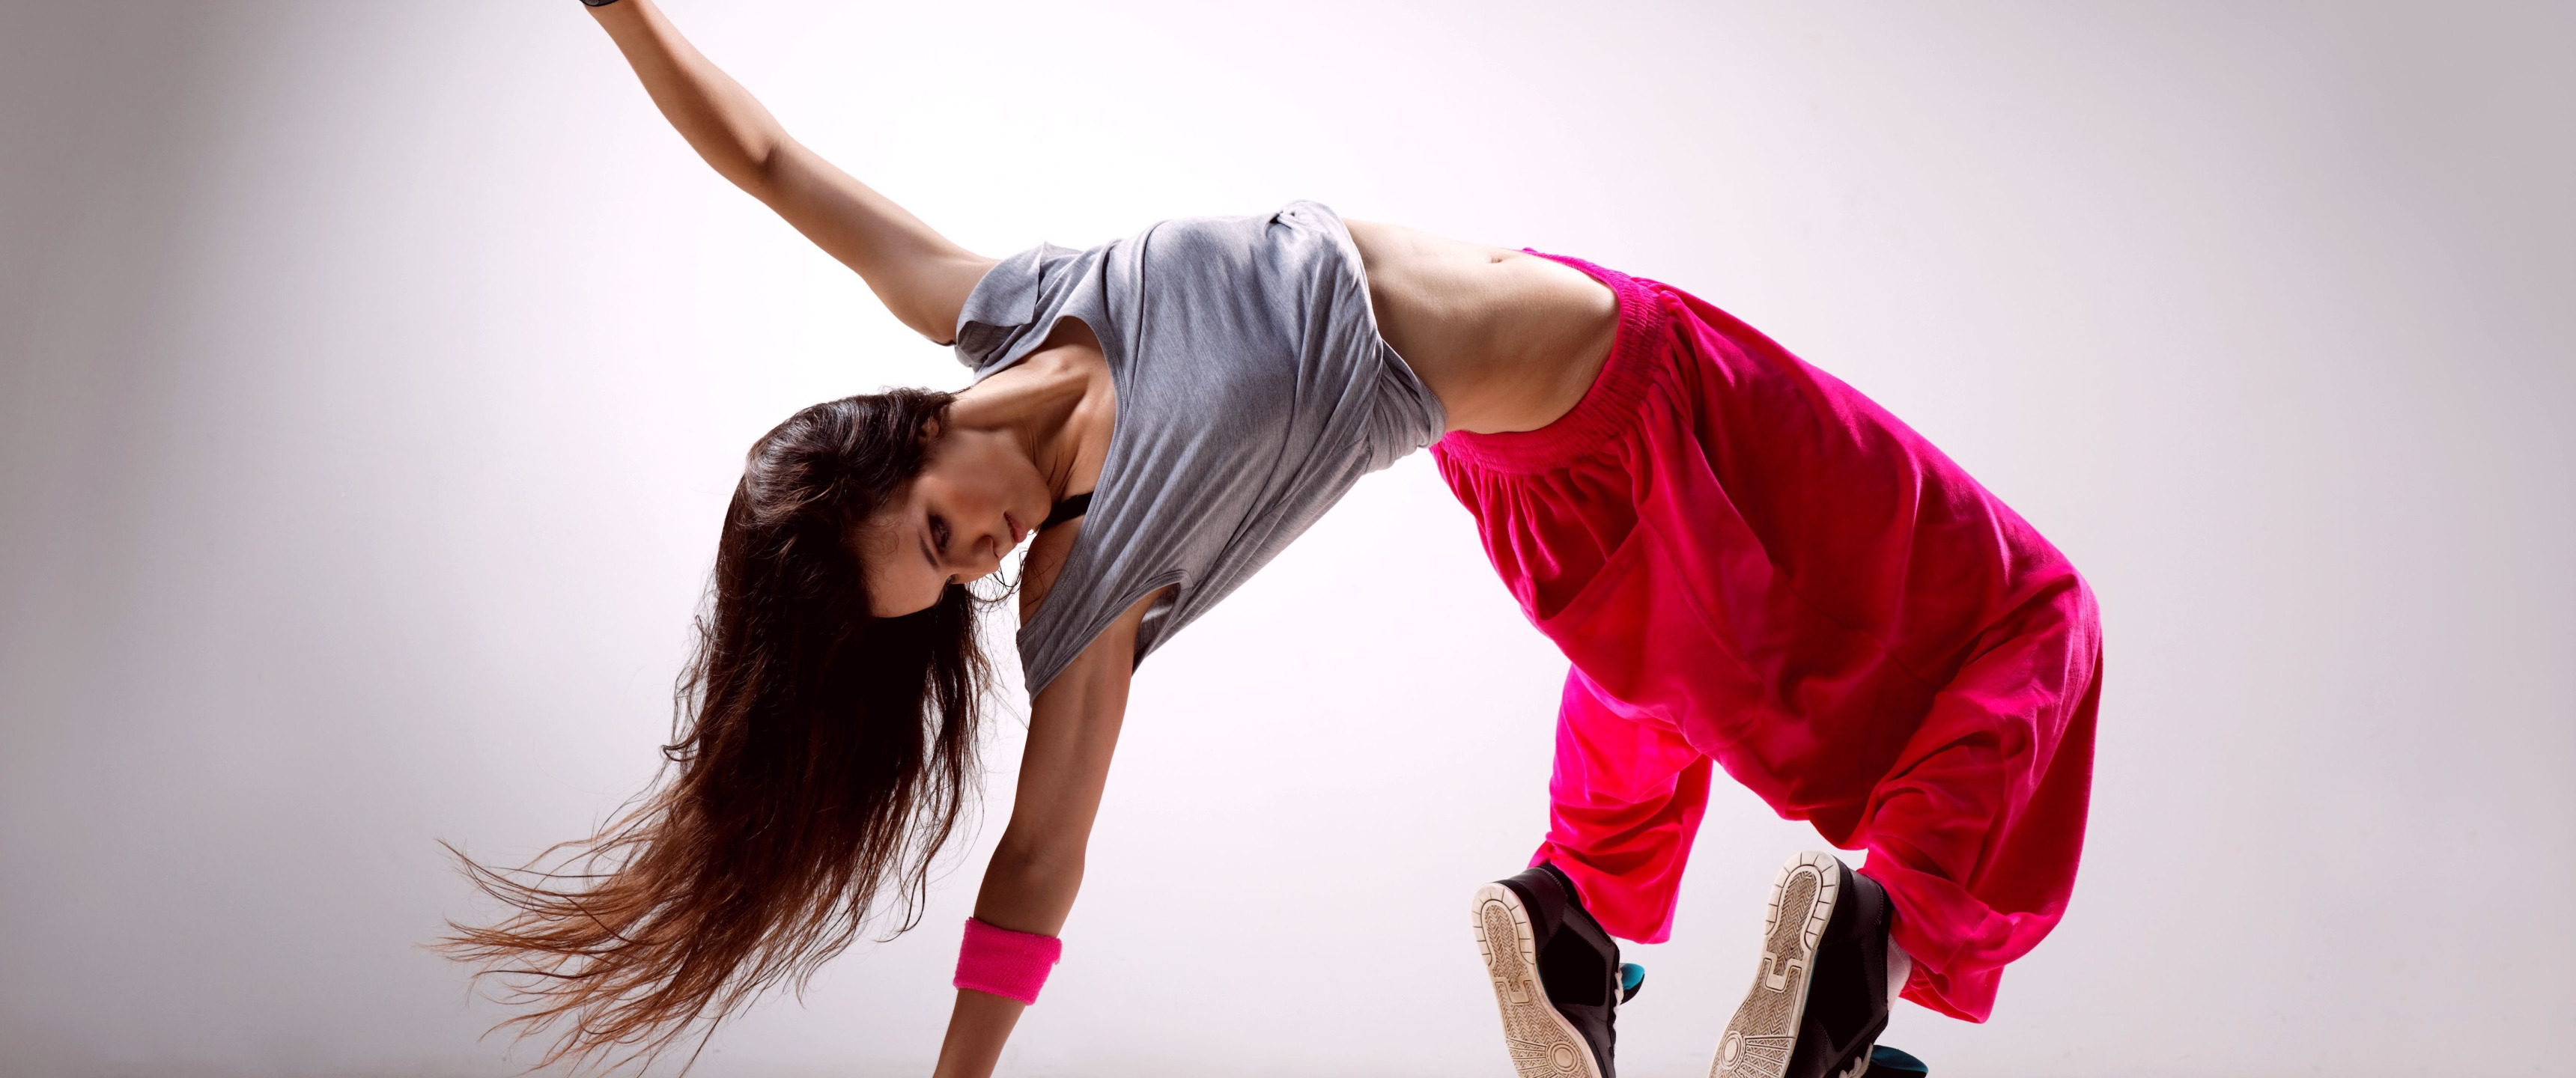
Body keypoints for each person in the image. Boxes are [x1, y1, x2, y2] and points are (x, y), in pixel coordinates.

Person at [440, 3, 2102, 1077]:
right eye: (951, 580)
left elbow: (765, 158)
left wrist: (614, 10)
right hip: (1645, 397)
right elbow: (1038, 858)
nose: (983, 555)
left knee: (1667, 691)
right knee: (2033, 618)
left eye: (939, 532)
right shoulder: (1088, 578)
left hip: (1551, 493)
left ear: (900, 431)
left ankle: (1578, 931)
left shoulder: (999, 299)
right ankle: (1857, 975)